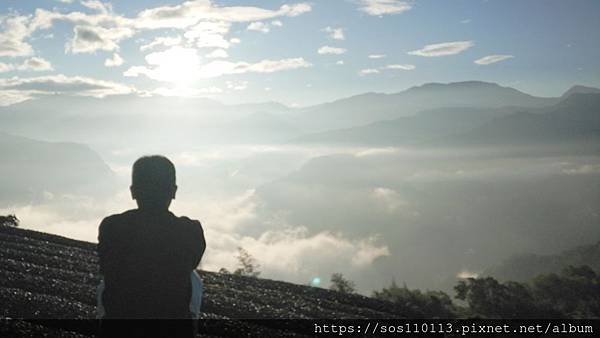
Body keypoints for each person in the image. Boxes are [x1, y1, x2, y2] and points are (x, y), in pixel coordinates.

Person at [97, 155, 206, 337]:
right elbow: (192, 262)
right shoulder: (190, 231)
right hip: (175, 328)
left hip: (118, 327)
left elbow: (107, 267)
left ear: (133, 192)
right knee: (194, 279)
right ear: (173, 191)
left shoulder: (112, 226)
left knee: (103, 286)